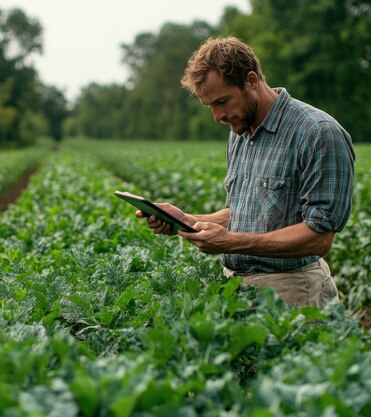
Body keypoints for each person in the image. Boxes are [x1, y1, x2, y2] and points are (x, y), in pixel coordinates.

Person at [136, 37, 355, 308]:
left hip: (293, 292)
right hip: (236, 288)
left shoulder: (317, 132)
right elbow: (245, 213)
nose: (217, 116)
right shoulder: (240, 131)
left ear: (251, 80)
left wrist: (232, 243)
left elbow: (319, 237)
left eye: (222, 101)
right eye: (210, 107)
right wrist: (188, 220)